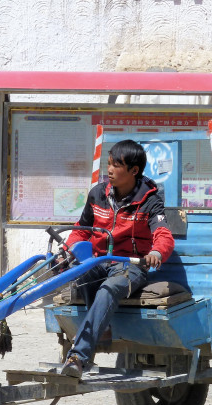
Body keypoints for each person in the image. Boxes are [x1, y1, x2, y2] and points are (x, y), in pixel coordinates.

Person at [60, 139, 174, 379]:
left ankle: (78, 358)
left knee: (108, 288)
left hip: (130, 266)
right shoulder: (97, 194)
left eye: (116, 165)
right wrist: (68, 248)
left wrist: (156, 253)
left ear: (134, 171)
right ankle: (100, 330)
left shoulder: (150, 200)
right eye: (109, 163)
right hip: (98, 260)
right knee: (74, 272)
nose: (109, 170)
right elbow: (82, 230)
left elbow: (163, 234)